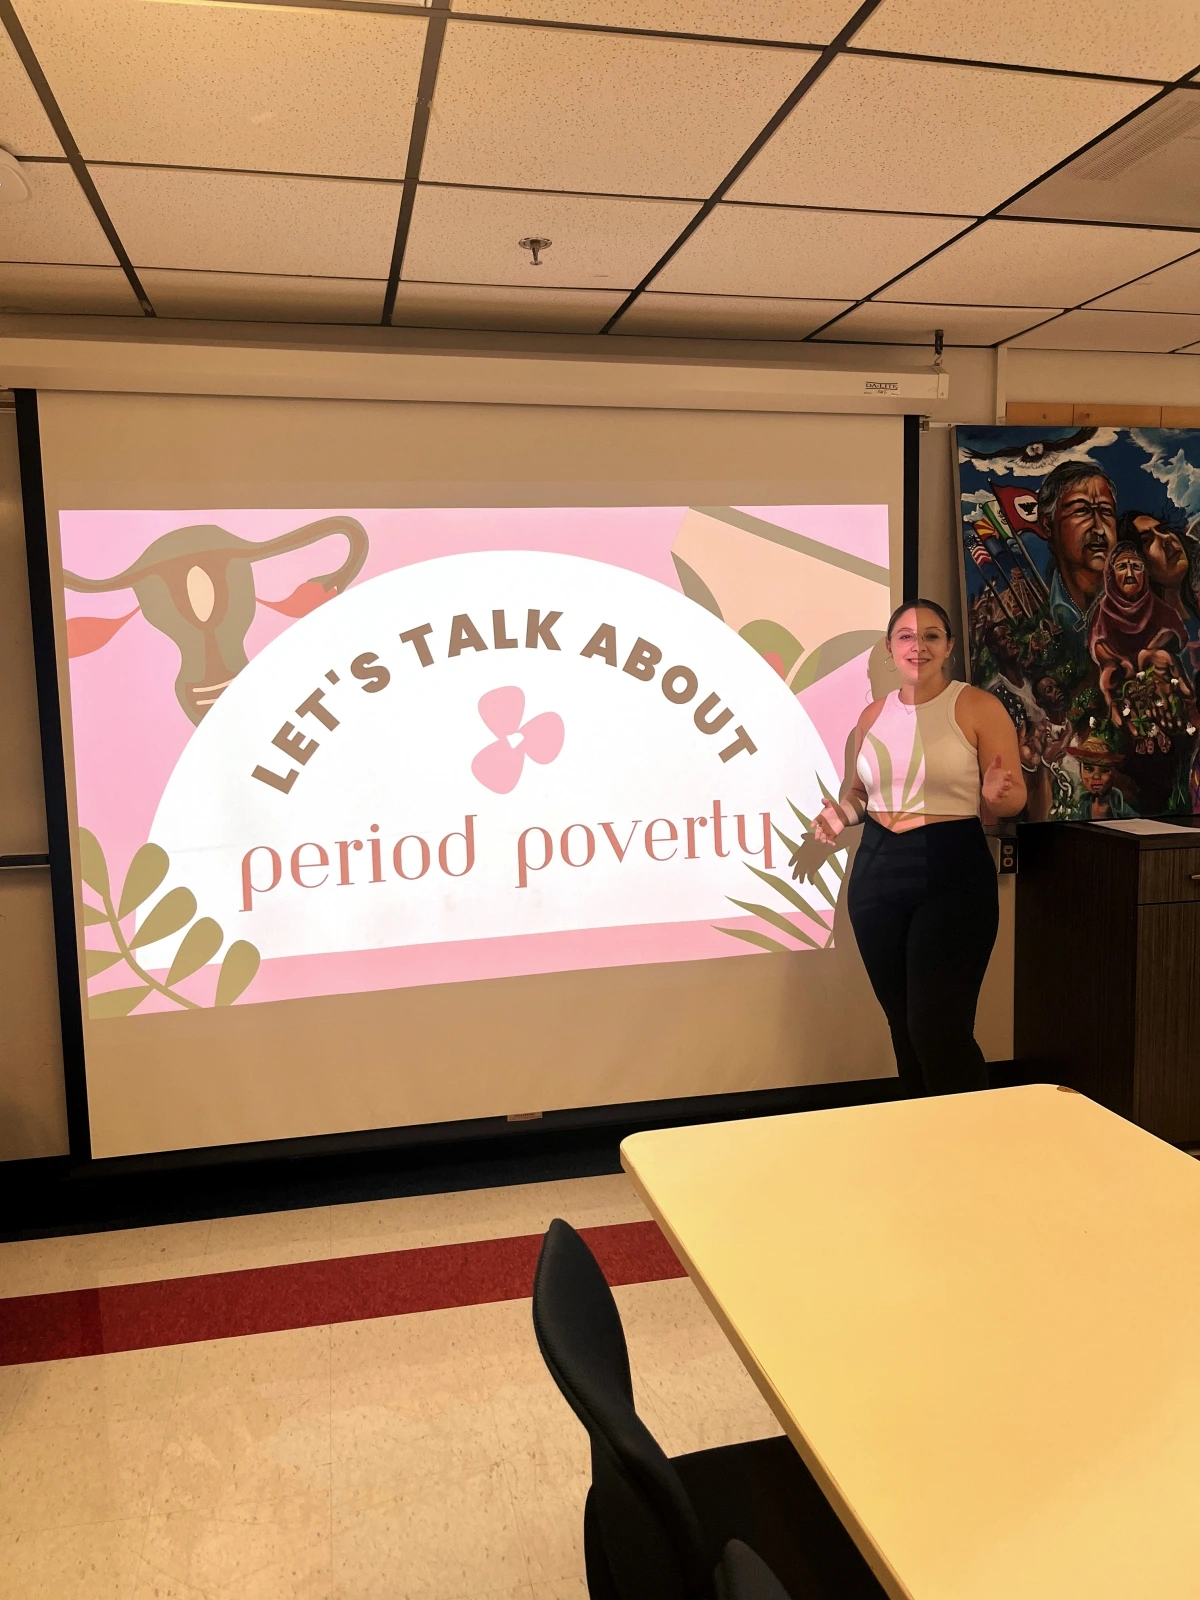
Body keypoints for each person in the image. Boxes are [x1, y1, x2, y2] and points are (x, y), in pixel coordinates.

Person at [795, 600, 1026, 1097]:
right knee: (903, 1027)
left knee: (939, 1030)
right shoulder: (872, 715)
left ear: (949, 646)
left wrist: (996, 797)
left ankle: (969, 1133)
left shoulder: (978, 707)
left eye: (931, 636)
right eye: (905, 636)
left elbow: (1013, 797)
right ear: (889, 647)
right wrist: (836, 818)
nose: (917, 647)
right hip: (877, 874)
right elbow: (859, 795)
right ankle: (920, 1131)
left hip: (952, 872)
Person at [1035, 461, 1118, 639]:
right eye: (1082, 510)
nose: (1099, 529)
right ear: (1047, 524)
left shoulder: (1144, 600)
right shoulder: (1035, 613)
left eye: (1106, 511)